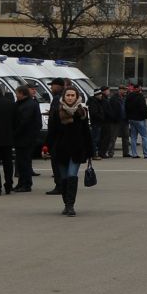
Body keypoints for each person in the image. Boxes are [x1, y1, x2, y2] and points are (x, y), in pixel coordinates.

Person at [47, 85, 95, 216]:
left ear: (77, 97)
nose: (70, 97)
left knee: (72, 175)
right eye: (67, 95)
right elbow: (51, 132)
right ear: (64, 97)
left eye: (72, 95)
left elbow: (86, 133)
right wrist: (47, 147)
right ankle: (65, 203)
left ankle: (70, 205)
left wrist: (91, 151)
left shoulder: (82, 112)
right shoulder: (57, 112)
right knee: (63, 178)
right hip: (60, 150)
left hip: (76, 150)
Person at [12, 81, 44, 192]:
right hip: (22, 138)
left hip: (26, 138)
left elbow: (24, 122)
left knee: (24, 161)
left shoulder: (29, 104)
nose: (16, 95)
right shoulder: (21, 103)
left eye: (17, 93)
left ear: (22, 93)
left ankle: (26, 184)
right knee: (21, 162)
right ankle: (21, 183)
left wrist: (14, 132)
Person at [124, 85, 147, 159]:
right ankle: (146, 154)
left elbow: (126, 107)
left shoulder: (129, 97)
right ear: (138, 89)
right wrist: (145, 116)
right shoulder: (140, 97)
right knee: (145, 136)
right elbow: (143, 108)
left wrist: (128, 116)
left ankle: (134, 154)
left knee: (133, 137)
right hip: (140, 119)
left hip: (131, 119)